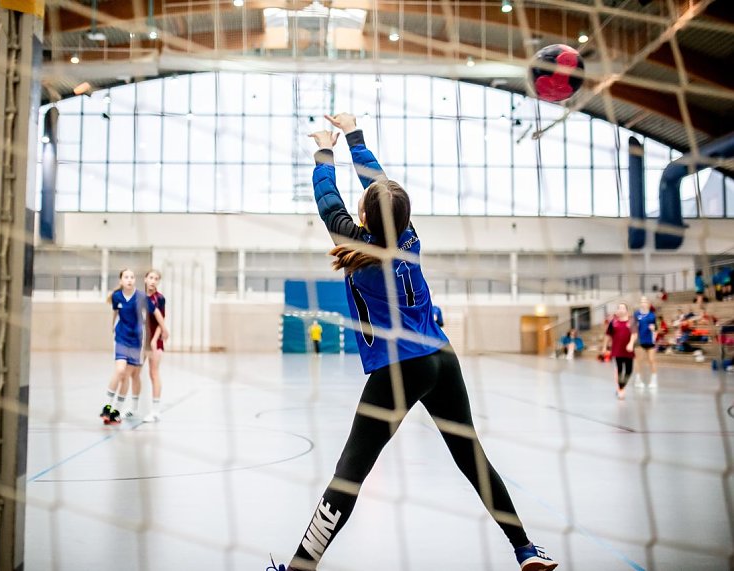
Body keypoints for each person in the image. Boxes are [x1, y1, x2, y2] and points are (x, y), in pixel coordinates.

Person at [268, 113, 558, 571]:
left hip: (398, 368)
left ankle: (300, 568)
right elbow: (380, 188)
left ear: (364, 216)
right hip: (441, 358)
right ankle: (525, 548)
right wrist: (354, 136)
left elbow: (329, 200)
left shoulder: (359, 249)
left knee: (350, 471)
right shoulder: (409, 238)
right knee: (471, 455)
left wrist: (327, 148)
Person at [99, 269, 165, 425]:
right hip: (121, 339)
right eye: (126, 277)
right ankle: (107, 406)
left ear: (135, 280)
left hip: (136, 342)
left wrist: (164, 328)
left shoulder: (141, 297)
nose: (129, 280)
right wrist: (112, 326)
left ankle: (116, 410)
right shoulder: (116, 297)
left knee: (127, 375)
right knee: (120, 370)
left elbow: (156, 312)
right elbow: (115, 312)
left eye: (132, 277)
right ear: (121, 281)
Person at [142, 269, 169, 423]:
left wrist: (155, 339)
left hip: (154, 341)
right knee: (133, 373)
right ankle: (131, 407)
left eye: (156, 278)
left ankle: (156, 411)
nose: (153, 281)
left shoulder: (160, 299)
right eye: (151, 277)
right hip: (140, 340)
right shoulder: (138, 297)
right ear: (145, 279)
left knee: (154, 373)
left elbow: (161, 321)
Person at [602, 302, 637, 400]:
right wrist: (604, 347)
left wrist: (631, 343)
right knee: (620, 370)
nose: (621, 310)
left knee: (629, 371)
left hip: (628, 350)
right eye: (619, 308)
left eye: (623, 308)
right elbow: (608, 335)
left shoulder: (631, 321)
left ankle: (621, 386)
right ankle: (621, 390)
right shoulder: (613, 322)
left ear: (626, 310)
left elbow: (634, 334)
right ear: (617, 311)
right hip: (617, 350)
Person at [633, 296, 658, 389]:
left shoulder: (652, 315)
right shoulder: (636, 314)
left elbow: (656, 328)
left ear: (648, 303)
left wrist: (653, 328)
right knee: (639, 361)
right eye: (642, 301)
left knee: (652, 360)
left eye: (645, 301)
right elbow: (632, 327)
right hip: (639, 341)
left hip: (649, 340)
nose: (643, 303)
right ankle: (638, 380)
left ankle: (654, 380)